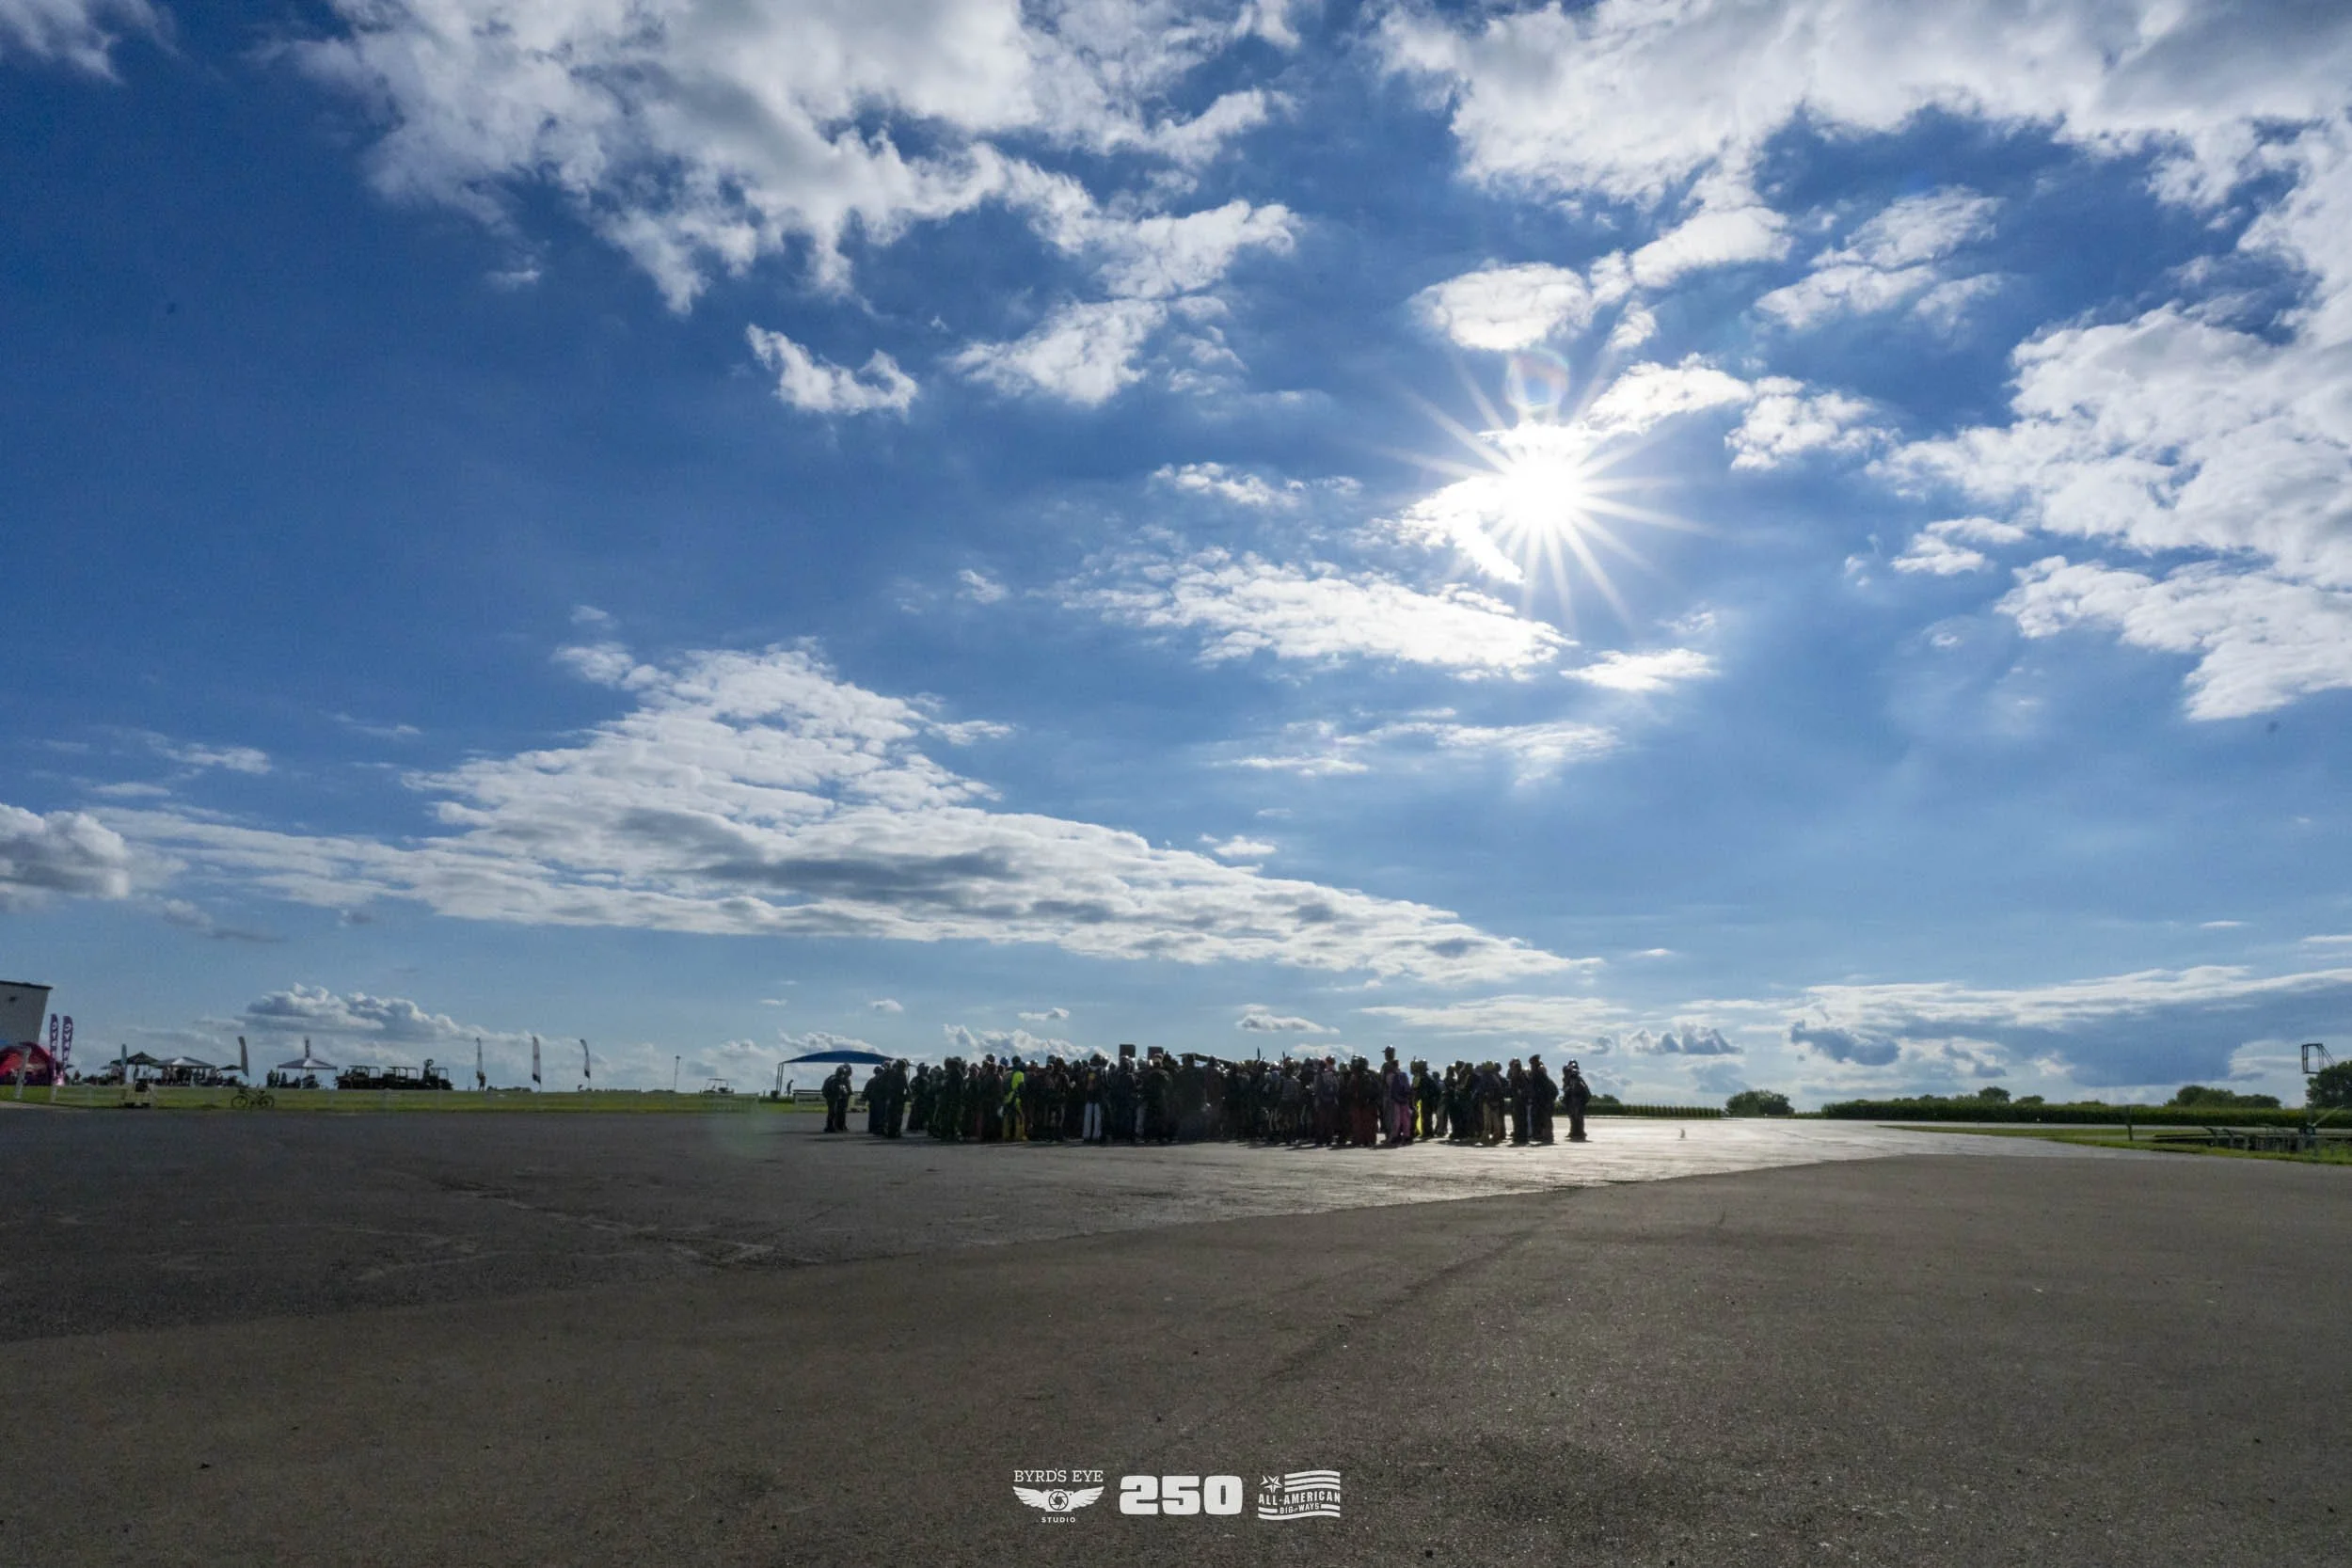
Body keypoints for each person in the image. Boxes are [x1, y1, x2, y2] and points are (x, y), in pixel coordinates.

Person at [1563, 1059, 1592, 1143]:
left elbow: (1585, 1091)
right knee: (1572, 1117)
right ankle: (1573, 1132)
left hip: (1578, 1101)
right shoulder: (1568, 1079)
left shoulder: (1579, 1080)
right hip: (1571, 1101)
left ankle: (1580, 1132)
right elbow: (1566, 1089)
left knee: (1578, 1117)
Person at [821, 1065, 850, 1133]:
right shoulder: (837, 1079)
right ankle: (830, 1127)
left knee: (831, 1112)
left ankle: (830, 1127)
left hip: (829, 1097)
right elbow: (837, 1089)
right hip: (833, 1097)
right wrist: (845, 1092)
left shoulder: (831, 1077)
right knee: (833, 1112)